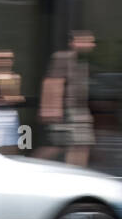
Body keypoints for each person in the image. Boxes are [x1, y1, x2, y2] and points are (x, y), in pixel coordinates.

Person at [37, 30, 96, 166]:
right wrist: (51, 110)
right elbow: (52, 82)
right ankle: (30, 168)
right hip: (67, 111)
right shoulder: (63, 57)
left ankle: (77, 176)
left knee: (81, 145)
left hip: (80, 111)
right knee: (57, 145)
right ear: (75, 42)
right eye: (88, 41)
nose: (92, 45)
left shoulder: (83, 62)